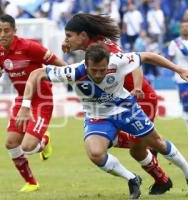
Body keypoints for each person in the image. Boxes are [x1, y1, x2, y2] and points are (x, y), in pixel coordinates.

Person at [16, 44, 188, 198]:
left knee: (158, 144)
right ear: (86, 65)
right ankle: (132, 179)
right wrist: (25, 106)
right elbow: (36, 74)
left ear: (109, 63)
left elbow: (147, 56)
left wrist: (178, 69)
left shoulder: (119, 61)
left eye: (102, 70)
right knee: (95, 153)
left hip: (126, 110)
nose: (98, 75)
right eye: (93, 70)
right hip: (98, 116)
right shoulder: (73, 72)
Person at [61, 13, 171, 195]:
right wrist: (70, 46)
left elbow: (135, 63)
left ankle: (162, 174)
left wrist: (136, 87)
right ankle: (161, 176)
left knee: (137, 149)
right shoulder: (95, 45)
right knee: (135, 147)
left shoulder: (102, 48)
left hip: (141, 98)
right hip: (120, 102)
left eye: (69, 36)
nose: (66, 40)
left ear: (83, 35)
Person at [0, 14, 66, 192]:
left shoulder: (30, 47)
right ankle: (31, 182)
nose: (2, 34)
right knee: (11, 143)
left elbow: (58, 62)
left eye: (6, 30)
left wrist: (75, 77)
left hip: (41, 100)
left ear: (15, 31)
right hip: (22, 99)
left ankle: (44, 140)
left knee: (28, 147)